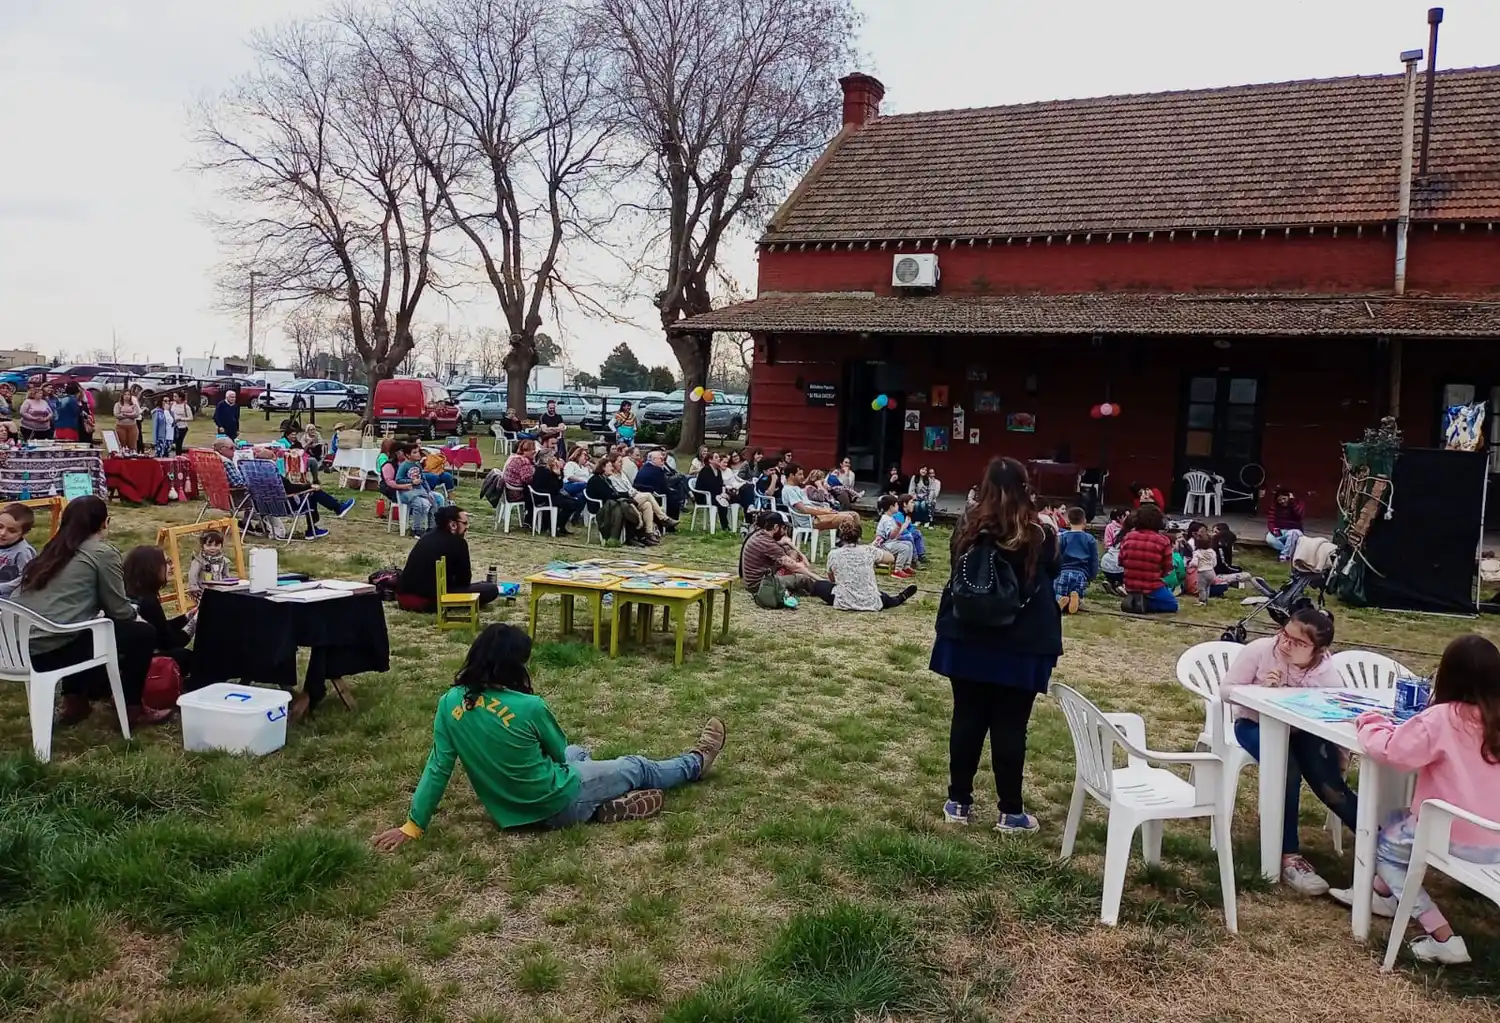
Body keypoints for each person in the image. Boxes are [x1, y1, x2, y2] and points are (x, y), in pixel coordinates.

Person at [372, 624, 726, 846]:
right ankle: (695, 763)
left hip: (509, 810)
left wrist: (413, 826)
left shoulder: (449, 702)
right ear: (515, 665)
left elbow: (438, 767)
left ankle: (604, 806)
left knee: (579, 752)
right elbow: (557, 755)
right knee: (633, 766)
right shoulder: (529, 706)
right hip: (555, 801)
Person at [1342, 634, 1500, 965]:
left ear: (1448, 675)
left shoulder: (1443, 718)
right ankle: (1384, 892)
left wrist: (1370, 722)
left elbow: (1392, 752)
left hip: (1453, 835)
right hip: (1494, 838)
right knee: (1398, 818)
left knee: (1384, 849)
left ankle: (1442, 935)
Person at [932, 456, 1061, 832]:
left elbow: (955, 565)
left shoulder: (968, 527)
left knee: (967, 716)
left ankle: (958, 802)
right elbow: (1053, 570)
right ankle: (1010, 811)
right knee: (1011, 724)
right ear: (1025, 486)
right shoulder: (1040, 533)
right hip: (1022, 640)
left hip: (967, 634)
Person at [1222, 608, 1355, 895]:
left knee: (1328, 780)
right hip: (1254, 724)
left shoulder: (1325, 673)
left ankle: (1383, 846)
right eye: (1284, 634)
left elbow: (1338, 711)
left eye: (1297, 643)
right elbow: (1225, 690)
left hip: (1301, 731)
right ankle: (1289, 856)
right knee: (1286, 766)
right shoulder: (1261, 650)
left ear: (1319, 651)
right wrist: (1260, 691)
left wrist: (1339, 758)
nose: (1285, 644)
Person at [15, 496, 170, 728]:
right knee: (142, 633)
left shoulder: (51, 550)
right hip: (51, 648)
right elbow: (119, 610)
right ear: (104, 522)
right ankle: (132, 708)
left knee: (82, 629)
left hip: (18, 648)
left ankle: (75, 700)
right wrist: (137, 613)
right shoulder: (101, 553)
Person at [396, 505, 501, 612]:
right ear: (453, 525)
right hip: (430, 600)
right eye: (464, 523)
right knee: (490, 589)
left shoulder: (427, 537)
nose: (467, 527)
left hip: (403, 598)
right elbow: (464, 581)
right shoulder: (458, 543)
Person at [122, 544, 194, 683]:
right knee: (185, 656)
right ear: (151, 567)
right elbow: (169, 642)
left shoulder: (132, 593)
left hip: (127, 658)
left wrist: (186, 618)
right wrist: (195, 623)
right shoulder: (148, 600)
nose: (172, 566)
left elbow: (161, 627)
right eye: (167, 562)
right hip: (141, 662)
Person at [820, 519, 918, 612]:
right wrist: (875, 550)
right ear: (859, 537)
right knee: (884, 597)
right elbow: (891, 558)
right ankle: (900, 598)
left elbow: (832, 579)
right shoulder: (869, 550)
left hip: (844, 601)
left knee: (819, 586)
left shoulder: (833, 553)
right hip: (870, 601)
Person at [739, 510, 828, 606]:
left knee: (792, 560)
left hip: (753, 582)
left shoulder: (759, 535)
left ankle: (810, 588)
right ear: (776, 527)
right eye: (783, 528)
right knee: (803, 579)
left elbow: (789, 555)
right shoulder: (767, 543)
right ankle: (827, 590)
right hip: (760, 585)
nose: (784, 532)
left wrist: (792, 547)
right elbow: (794, 566)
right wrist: (818, 578)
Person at [1118, 503, 1177, 613]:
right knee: (1172, 604)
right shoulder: (1163, 541)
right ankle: (1143, 604)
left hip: (1130, 584)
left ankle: (1134, 599)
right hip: (1152, 585)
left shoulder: (1128, 537)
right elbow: (1168, 567)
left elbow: (1121, 561)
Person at [586, 455, 649, 546]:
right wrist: (626, 495)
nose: (612, 468)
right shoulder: (596, 480)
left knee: (623, 507)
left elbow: (614, 494)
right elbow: (608, 495)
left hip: (611, 504)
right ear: (603, 467)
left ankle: (630, 536)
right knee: (623, 507)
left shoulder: (607, 480)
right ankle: (635, 530)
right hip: (600, 507)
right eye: (610, 466)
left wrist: (625, 495)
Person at [605, 455, 670, 540]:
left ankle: (649, 532)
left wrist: (634, 491)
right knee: (648, 495)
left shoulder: (622, 473)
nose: (622, 464)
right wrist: (632, 492)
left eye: (622, 461)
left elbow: (630, 487)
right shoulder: (611, 477)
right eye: (619, 462)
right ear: (613, 464)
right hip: (625, 500)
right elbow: (620, 492)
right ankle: (663, 518)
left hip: (633, 496)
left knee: (647, 504)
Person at [781, 464, 858, 534]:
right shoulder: (789, 490)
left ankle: (855, 540)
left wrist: (826, 510)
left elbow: (809, 504)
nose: (803, 476)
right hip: (811, 520)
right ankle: (847, 541)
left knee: (854, 515)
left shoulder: (796, 487)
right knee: (848, 518)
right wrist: (825, 512)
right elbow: (804, 510)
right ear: (791, 475)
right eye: (800, 474)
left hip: (817, 515)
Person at [382, 444, 437, 536]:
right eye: (414, 452)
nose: (418, 454)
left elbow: (423, 479)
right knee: (418, 504)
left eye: (418, 452)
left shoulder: (418, 465)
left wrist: (428, 491)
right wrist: (411, 481)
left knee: (433, 502)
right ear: (408, 455)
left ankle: (431, 527)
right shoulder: (404, 466)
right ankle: (416, 529)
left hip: (419, 490)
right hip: (406, 491)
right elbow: (398, 480)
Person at [1054, 507, 1099, 614]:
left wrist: (1055, 571)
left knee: (1057, 591)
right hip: (1081, 574)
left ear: (1068, 521)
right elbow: (1094, 560)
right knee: (1078, 591)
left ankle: (1060, 599)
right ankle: (1076, 599)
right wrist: (1092, 575)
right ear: (1084, 521)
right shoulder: (1090, 539)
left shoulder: (1063, 537)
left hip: (1063, 572)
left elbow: (1057, 556)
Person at [530, 451, 578, 535]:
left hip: (551, 495)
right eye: (552, 457)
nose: (555, 459)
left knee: (573, 502)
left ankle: (559, 525)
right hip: (544, 497)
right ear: (546, 459)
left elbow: (559, 486)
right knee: (570, 504)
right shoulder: (542, 470)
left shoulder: (550, 470)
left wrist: (559, 475)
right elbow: (553, 487)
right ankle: (556, 526)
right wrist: (556, 475)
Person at [634, 449, 687, 521]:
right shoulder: (657, 470)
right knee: (674, 500)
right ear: (653, 459)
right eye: (661, 459)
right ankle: (670, 523)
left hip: (646, 494)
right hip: (655, 496)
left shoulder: (644, 467)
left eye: (664, 459)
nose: (663, 461)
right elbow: (664, 488)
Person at [873, 494, 916, 579]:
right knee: (904, 548)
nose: (898, 507)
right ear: (891, 507)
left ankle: (906, 566)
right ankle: (897, 570)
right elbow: (891, 536)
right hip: (883, 545)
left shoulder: (891, 518)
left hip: (890, 543)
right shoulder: (886, 519)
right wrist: (898, 528)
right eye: (896, 505)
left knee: (909, 544)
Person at [0, 502, 38, 598]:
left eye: (12, 531)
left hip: (8, 599)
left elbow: (25, 579)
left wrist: (2, 588)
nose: (3, 533)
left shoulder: (23, 552)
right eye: (0, 527)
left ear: (23, 532)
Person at [694, 451, 734, 530]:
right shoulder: (705, 470)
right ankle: (725, 526)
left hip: (715, 495)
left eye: (718, 457)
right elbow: (709, 486)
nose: (719, 459)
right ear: (710, 460)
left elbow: (720, 485)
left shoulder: (718, 471)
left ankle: (726, 525)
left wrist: (723, 493)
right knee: (721, 502)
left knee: (727, 499)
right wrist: (719, 495)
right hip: (704, 496)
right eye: (716, 457)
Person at [187, 529, 232, 598]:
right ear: (202, 545)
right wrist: (193, 587)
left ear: (221, 545)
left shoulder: (223, 560)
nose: (212, 548)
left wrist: (229, 583)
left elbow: (226, 575)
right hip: (203, 592)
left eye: (216, 545)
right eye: (209, 545)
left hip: (220, 590)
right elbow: (192, 574)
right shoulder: (199, 560)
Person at [1266, 488, 1306, 556]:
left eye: (1284, 498)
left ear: (1289, 497)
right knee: (1269, 538)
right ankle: (1287, 551)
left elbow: (1300, 514)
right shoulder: (1274, 506)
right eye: (1279, 500)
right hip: (1280, 530)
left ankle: (1285, 556)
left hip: (1294, 530)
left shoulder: (1298, 503)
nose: (1282, 501)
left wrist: (1292, 502)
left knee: (1292, 534)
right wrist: (1274, 530)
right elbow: (1270, 521)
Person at [113, 387, 143, 452]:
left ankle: (133, 455)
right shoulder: (118, 404)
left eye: (128, 394)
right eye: (125, 394)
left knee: (132, 445)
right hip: (121, 427)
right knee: (122, 444)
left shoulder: (134, 405)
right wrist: (130, 414)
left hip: (132, 427)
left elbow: (136, 414)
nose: (127, 396)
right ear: (122, 395)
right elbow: (117, 415)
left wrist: (125, 414)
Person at [168, 390, 193, 454]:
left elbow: (191, 418)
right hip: (174, 426)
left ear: (180, 398)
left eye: (175, 396)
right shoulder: (173, 404)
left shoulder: (186, 407)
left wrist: (181, 419)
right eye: (173, 396)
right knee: (172, 441)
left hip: (182, 427)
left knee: (178, 442)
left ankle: (178, 456)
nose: (174, 398)